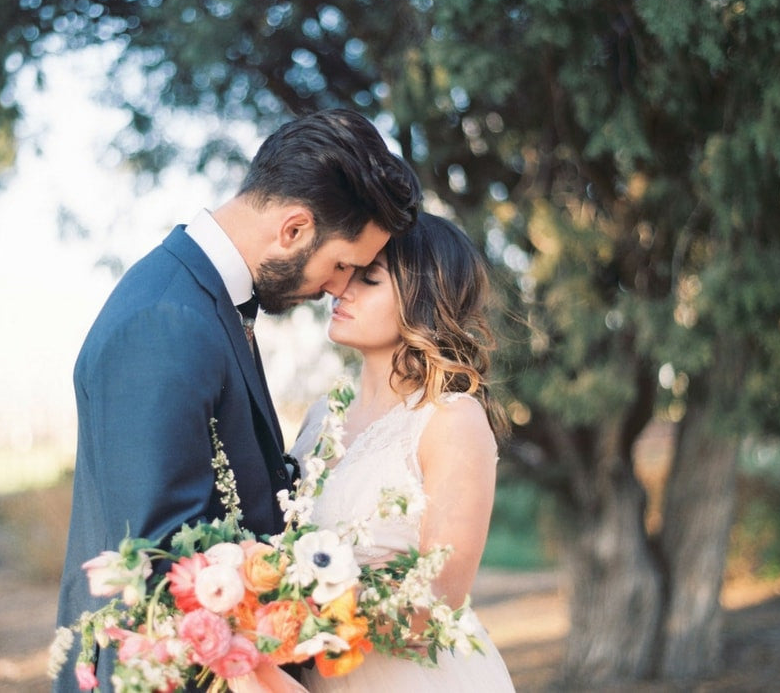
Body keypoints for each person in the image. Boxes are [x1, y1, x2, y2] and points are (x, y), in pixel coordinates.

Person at [54, 109, 422, 692]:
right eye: (342, 264)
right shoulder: (166, 319)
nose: (337, 286)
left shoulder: (201, 303)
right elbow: (161, 566)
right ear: (294, 229)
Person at [291, 212, 515, 691]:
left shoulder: (450, 418)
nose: (341, 290)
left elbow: (440, 597)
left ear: (423, 302)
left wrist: (298, 613)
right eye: (347, 273)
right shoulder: (319, 417)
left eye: (369, 279)